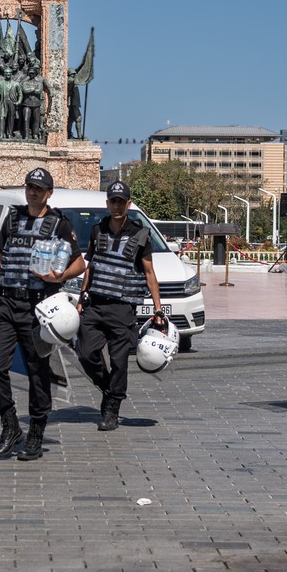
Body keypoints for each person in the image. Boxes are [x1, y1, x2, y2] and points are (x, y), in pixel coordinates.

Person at [0, 168, 85, 460]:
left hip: (39, 308)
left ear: (49, 193)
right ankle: (10, 425)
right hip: (8, 305)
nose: (32, 192)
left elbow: (79, 264)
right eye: (29, 187)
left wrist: (57, 278)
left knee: (38, 373)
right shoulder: (11, 219)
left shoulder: (59, 223)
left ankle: (36, 433)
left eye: (38, 188)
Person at [76, 181, 166, 432]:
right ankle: (108, 388)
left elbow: (149, 273)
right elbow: (90, 266)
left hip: (122, 307)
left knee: (119, 362)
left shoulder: (140, 234)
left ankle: (112, 408)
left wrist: (158, 310)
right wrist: (83, 296)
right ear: (107, 203)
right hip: (95, 305)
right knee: (85, 353)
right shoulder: (97, 230)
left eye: (120, 201)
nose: (116, 206)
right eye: (112, 201)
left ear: (128, 204)